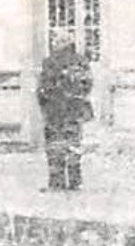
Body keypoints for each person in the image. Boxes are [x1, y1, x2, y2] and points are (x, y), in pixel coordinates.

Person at [37, 30, 94, 190]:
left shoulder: (50, 62)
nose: (53, 44)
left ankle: (57, 182)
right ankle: (75, 181)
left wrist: (45, 104)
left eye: (55, 41)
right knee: (73, 145)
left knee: (55, 145)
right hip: (74, 111)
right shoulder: (81, 61)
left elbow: (43, 88)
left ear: (62, 43)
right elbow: (87, 85)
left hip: (55, 111)